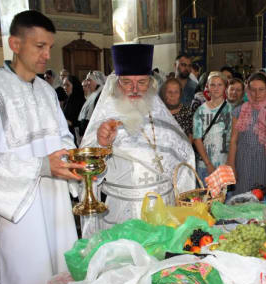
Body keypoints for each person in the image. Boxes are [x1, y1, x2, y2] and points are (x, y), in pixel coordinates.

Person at [0, 10, 83, 284]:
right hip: (15, 214)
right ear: (15, 44)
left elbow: (62, 138)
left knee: (59, 280)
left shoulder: (46, 91)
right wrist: (41, 166)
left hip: (55, 206)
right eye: (39, 46)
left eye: (50, 47)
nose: (47, 55)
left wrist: (72, 159)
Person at [80, 44, 195, 237]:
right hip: (122, 215)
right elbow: (84, 171)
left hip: (163, 214)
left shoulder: (161, 117)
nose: (134, 89)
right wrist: (101, 146)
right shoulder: (103, 122)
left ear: (150, 84)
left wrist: (185, 209)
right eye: (127, 82)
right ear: (116, 84)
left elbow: (184, 159)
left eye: (141, 82)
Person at [228, 72, 266, 195]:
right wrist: (231, 165)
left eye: (261, 90)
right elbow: (233, 140)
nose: (257, 94)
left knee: (264, 198)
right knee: (243, 199)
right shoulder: (239, 111)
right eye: (253, 90)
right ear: (248, 90)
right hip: (243, 162)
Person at [194, 71, 233, 183]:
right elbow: (197, 139)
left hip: (225, 163)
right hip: (205, 163)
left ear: (225, 87)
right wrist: (208, 164)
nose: (216, 88)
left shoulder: (231, 110)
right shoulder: (200, 110)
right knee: (205, 198)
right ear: (208, 87)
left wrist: (231, 162)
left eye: (220, 85)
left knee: (223, 198)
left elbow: (234, 139)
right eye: (212, 85)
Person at [159, 77, 194, 143]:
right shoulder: (158, 112)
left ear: (180, 94)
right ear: (164, 94)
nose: (173, 95)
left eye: (176, 92)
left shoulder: (188, 112)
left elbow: (191, 137)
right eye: (169, 92)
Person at [78, 71, 106, 137]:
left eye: (89, 80)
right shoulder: (94, 94)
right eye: (87, 80)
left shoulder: (101, 94)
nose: (87, 83)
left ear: (97, 80)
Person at [62, 75, 85, 142]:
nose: (65, 88)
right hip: (68, 134)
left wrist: (68, 122)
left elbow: (81, 121)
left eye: (67, 85)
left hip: (76, 135)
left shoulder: (80, 100)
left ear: (74, 85)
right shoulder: (67, 100)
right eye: (63, 85)